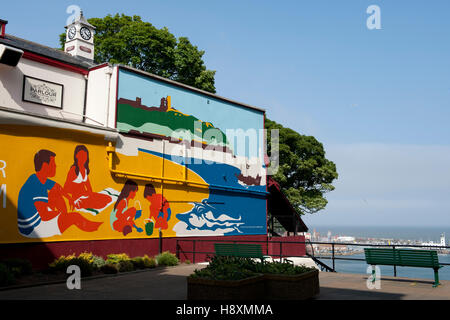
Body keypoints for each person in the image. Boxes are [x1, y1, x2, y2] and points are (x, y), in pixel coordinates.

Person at [17, 149, 103, 238]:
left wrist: (70, 199)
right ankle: (99, 228)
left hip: (32, 219)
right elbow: (45, 216)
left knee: (56, 193)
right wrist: (62, 215)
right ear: (45, 166)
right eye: (53, 164)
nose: (56, 166)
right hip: (32, 228)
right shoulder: (37, 186)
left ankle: (64, 218)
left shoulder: (36, 177)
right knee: (75, 217)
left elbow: (58, 187)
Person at [63, 145, 111, 210]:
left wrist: (93, 196)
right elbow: (65, 189)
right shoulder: (73, 170)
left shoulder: (85, 169)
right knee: (100, 205)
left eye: (84, 155)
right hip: (77, 199)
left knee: (108, 198)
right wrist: (70, 199)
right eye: (81, 155)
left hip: (85, 195)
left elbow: (89, 187)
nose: (83, 158)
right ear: (76, 156)